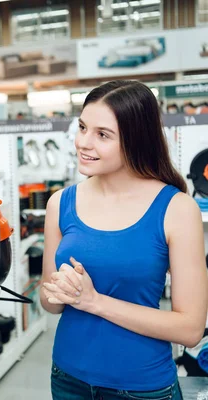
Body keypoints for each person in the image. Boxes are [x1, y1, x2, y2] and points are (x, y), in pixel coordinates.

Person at [41, 80, 208, 400]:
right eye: (82, 128)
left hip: (141, 387)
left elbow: (190, 329)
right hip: (67, 379)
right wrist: (61, 291)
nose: (83, 143)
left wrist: (94, 301)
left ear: (135, 141)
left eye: (102, 135)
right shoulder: (60, 204)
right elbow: (50, 304)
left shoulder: (175, 209)